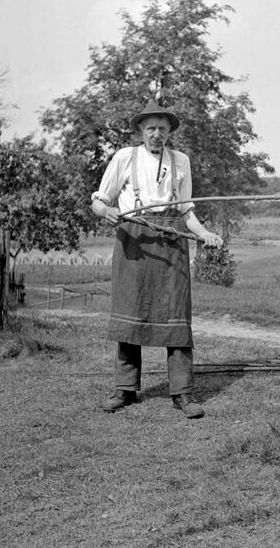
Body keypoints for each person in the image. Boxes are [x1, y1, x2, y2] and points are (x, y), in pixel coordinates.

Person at [91, 100, 222, 419]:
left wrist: (205, 233)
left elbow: (186, 212)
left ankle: (183, 392)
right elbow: (99, 201)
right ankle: (125, 389)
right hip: (134, 241)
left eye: (162, 128)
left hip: (171, 242)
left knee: (177, 314)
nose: (156, 134)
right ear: (141, 129)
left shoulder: (181, 161)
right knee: (129, 313)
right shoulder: (124, 157)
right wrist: (107, 211)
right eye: (151, 128)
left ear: (169, 131)